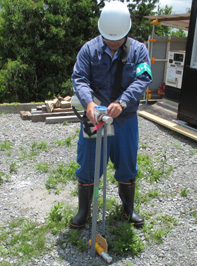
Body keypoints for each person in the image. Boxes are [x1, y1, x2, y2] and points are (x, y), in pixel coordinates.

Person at [70, 1, 152, 228]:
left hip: (125, 120)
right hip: (95, 119)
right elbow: (79, 78)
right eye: (109, 39)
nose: (114, 43)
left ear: (127, 31)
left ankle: (128, 210)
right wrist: (88, 104)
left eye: (118, 39)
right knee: (87, 166)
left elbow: (143, 79)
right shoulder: (89, 50)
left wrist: (123, 102)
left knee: (127, 164)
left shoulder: (139, 50)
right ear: (101, 31)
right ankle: (84, 212)